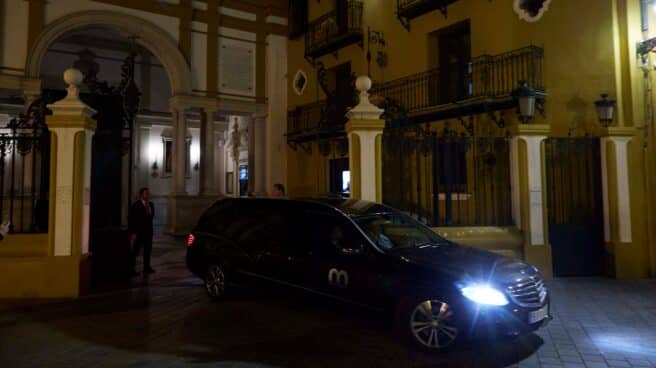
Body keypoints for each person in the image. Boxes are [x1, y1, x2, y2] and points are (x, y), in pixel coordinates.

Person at [128, 187, 155, 276]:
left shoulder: (151, 204)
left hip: (148, 232)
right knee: (135, 251)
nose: (147, 195)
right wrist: (133, 233)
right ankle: (131, 269)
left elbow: (150, 218)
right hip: (139, 232)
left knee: (147, 250)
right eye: (145, 193)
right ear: (141, 195)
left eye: (148, 193)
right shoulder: (136, 205)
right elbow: (132, 220)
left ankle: (146, 267)